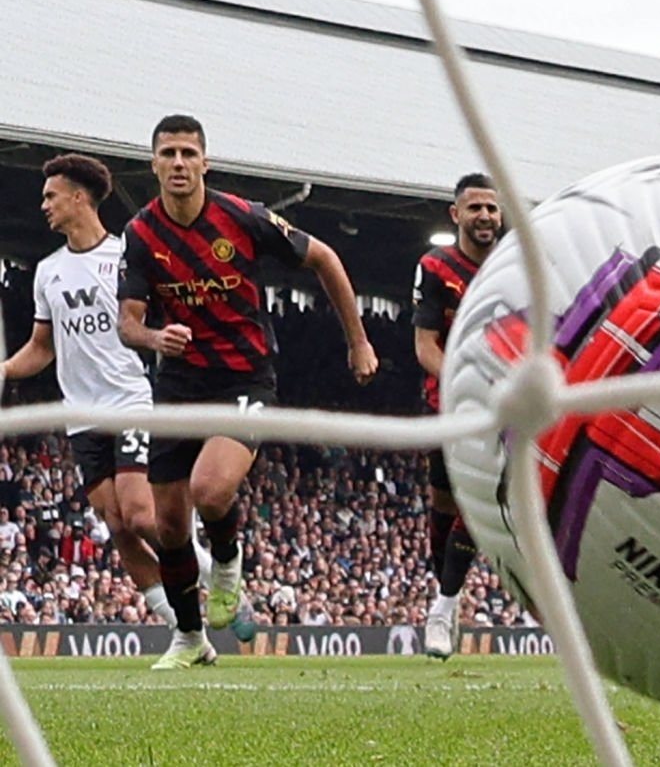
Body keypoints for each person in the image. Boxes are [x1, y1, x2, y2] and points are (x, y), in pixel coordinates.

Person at [118, 114, 379, 669]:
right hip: (179, 383)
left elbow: (325, 258)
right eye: (169, 154)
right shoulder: (141, 235)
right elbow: (128, 323)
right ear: (154, 164)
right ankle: (190, 640)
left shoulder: (244, 218)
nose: (179, 163)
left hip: (244, 376)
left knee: (210, 492)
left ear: (205, 162)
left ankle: (229, 564)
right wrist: (152, 337)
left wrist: (357, 341)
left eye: (189, 153)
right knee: (167, 524)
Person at [1, 154, 177, 642]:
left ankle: (218, 572)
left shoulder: (124, 258)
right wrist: (4, 371)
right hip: (81, 414)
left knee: (140, 513)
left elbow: (150, 322)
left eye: (51, 196)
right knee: (117, 524)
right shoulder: (47, 273)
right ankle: (184, 629)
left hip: (129, 398)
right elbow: (41, 349)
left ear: (80, 198)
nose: (44, 206)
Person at [411, 173, 502, 660]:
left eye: (491, 208)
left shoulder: (517, 265)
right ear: (456, 215)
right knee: (443, 508)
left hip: (499, 412)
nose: (485, 216)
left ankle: (442, 609)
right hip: (446, 404)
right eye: (475, 209)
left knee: (476, 505)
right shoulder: (436, 266)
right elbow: (425, 347)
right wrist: (466, 386)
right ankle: (447, 589)